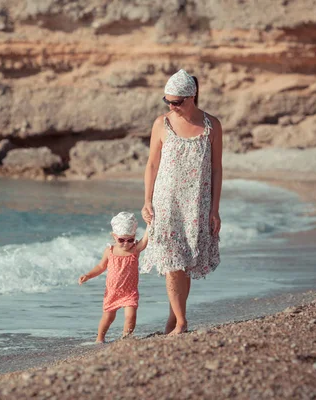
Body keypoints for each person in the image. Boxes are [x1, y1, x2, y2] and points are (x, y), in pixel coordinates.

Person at [141, 69, 222, 336]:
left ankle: (173, 319)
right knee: (171, 262)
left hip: (196, 204)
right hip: (166, 203)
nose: (172, 106)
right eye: (168, 101)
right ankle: (182, 322)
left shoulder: (212, 125)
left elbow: (217, 169)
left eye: (177, 101)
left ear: (192, 96)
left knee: (185, 262)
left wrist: (215, 209)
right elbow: (152, 164)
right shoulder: (161, 124)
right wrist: (146, 201)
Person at [78, 212, 149, 343]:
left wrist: (150, 225)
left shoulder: (134, 250)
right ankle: (100, 338)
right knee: (108, 317)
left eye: (130, 240)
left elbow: (144, 241)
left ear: (134, 237)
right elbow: (100, 267)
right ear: (114, 236)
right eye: (121, 240)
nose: (126, 244)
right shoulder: (109, 251)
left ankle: (126, 338)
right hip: (112, 292)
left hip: (129, 291)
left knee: (130, 316)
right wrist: (88, 275)